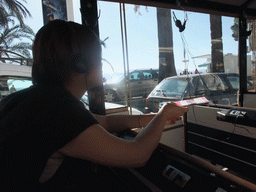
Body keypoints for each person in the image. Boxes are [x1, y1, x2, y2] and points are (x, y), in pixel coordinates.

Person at [0, 20, 188, 191]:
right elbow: (138, 154)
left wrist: (152, 119)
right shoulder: (58, 110)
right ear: (81, 64)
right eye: (98, 57)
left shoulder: (39, 99)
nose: (102, 64)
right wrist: (163, 113)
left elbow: (102, 123)